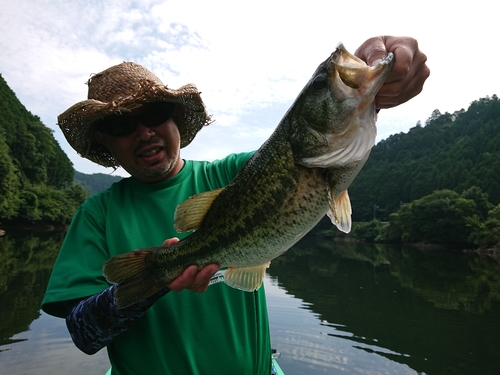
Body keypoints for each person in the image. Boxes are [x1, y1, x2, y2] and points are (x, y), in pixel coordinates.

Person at [41, 36, 430, 375]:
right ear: (105, 143)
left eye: (154, 114)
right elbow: (83, 333)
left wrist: (379, 87)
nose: (144, 131)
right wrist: (156, 281)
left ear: (175, 118)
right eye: (122, 124)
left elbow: (306, 143)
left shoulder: (230, 174)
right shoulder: (95, 215)